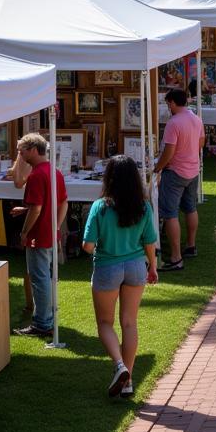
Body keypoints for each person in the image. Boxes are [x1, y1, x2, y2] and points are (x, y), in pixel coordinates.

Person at [82, 156, 158, 397]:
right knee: (129, 323)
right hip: (136, 266)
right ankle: (128, 381)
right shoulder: (144, 206)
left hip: (108, 267)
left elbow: (87, 245)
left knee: (105, 323)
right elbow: (150, 243)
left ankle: (119, 365)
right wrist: (153, 267)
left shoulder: (100, 207)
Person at [12, 133, 69, 335]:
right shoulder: (55, 172)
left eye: (22, 151)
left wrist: (24, 231)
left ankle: (42, 323)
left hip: (38, 235)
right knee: (47, 276)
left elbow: (37, 208)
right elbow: (63, 203)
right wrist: (55, 226)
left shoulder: (36, 175)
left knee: (39, 278)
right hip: (49, 233)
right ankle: (47, 318)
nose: (20, 154)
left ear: (34, 150)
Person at [154, 89, 205, 272]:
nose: (168, 107)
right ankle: (190, 246)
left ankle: (176, 257)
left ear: (174, 102)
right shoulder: (196, 118)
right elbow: (201, 141)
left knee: (170, 213)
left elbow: (169, 151)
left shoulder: (173, 123)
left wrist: (158, 167)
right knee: (190, 208)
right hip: (192, 170)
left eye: (168, 104)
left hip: (175, 172)